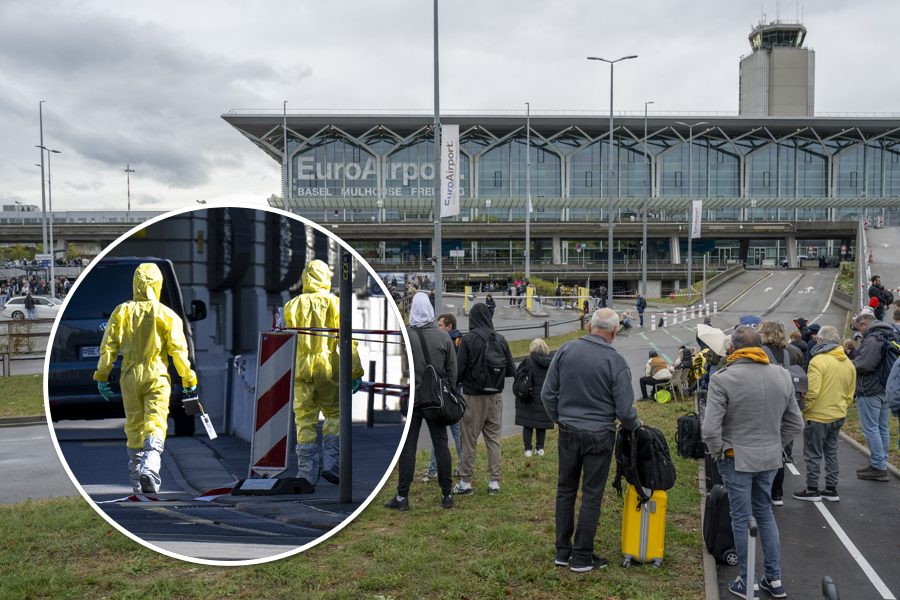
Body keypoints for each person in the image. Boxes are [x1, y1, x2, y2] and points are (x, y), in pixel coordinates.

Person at [701, 325, 802, 599]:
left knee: (741, 518)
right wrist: (776, 444)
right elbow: (796, 422)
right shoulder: (781, 375)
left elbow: (710, 429)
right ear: (761, 347)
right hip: (769, 457)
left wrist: (719, 451)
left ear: (732, 348)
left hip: (736, 457)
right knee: (765, 513)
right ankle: (774, 578)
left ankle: (748, 582)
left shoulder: (723, 379)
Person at [542, 308, 641, 573]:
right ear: (614, 331)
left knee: (566, 489)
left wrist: (559, 418)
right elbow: (624, 409)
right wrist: (634, 426)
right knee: (592, 495)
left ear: (589, 327)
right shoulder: (615, 361)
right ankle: (583, 556)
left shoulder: (565, 350)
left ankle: (562, 552)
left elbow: (547, 393)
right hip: (600, 433)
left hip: (568, 429)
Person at [93, 263, 198, 494]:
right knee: (156, 421)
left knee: (133, 425)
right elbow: (179, 352)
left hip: (129, 376)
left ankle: (136, 482)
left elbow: (108, 346)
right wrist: (189, 381)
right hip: (156, 375)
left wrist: (102, 375)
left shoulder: (121, 312)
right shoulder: (167, 315)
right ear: (158, 284)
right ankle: (149, 469)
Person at [283, 259, 363, 487]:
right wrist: (355, 372)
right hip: (329, 367)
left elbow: (285, 338)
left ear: (306, 278)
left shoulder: (292, 306)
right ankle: (332, 463)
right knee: (335, 414)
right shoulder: (336, 304)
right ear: (326, 277)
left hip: (301, 368)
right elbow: (348, 341)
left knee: (304, 419)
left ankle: (307, 474)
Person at [386, 293, 457, 511]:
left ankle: (402, 497)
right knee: (441, 445)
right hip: (436, 400)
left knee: (408, 448)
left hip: (412, 399)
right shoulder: (444, 337)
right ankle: (446, 494)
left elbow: (395, 366)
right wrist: (446, 391)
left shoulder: (405, 335)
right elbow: (453, 371)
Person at [452, 303, 515, 495]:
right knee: (494, 439)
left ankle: (465, 481)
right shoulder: (500, 339)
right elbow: (512, 369)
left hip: (473, 396)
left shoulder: (468, 340)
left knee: (469, 440)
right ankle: (494, 482)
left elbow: (459, 370)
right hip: (495, 396)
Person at [792, 326, 855, 502]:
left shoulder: (818, 361)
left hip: (818, 415)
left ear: (820, 341)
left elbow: (812, 391)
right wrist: (842, 406)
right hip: (838, 413)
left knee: (813, 453)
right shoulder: (848, 363)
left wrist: (806, 408)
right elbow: (851, 392)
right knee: (831, 451)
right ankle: (831, 488)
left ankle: (812, 489)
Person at [759, 320, 804, 505]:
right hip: (788, 397)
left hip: (767, 399)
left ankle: (765, 490)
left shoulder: (760, 351)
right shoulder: (793, 352)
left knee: (766, 446)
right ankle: (778, 492)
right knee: (780, 450)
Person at [421, 314, 464, 482]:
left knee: (448, 433)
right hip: (451, 393)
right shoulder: (456, 340)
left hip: (447, 395)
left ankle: (437, 468)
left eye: (441, 325)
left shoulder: (452, 342)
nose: (438, 328)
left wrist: (451, 389)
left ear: (449, 326)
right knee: (447, 434)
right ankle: (459, 466)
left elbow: (453, 369)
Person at [851, 312, 894, 482]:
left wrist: (851, 365)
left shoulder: (873, 338)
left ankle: (878, 466)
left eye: (859, 328)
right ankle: (881, 462)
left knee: (871, 428)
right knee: (882, 428)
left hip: (870, 389)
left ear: (864, 324)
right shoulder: (888, 334)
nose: (860, 332)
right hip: (885, 388)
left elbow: (865, 364)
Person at [514, 338, 554, 457]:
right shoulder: (550, 363)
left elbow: (518, 377)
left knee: (528, 424)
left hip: (528, 398)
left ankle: (528, 450)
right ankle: (540, 449)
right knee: (541, 425)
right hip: (542, 399)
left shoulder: (528, 362)